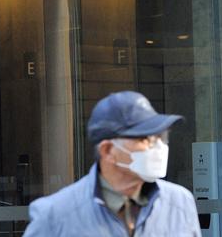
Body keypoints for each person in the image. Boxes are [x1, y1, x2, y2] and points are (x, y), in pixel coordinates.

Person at [23, 91, 202, 236]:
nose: (158, 147)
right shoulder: (55, 215)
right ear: (108, 150)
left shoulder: (180, 202)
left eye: (160, 137)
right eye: (145, 138)